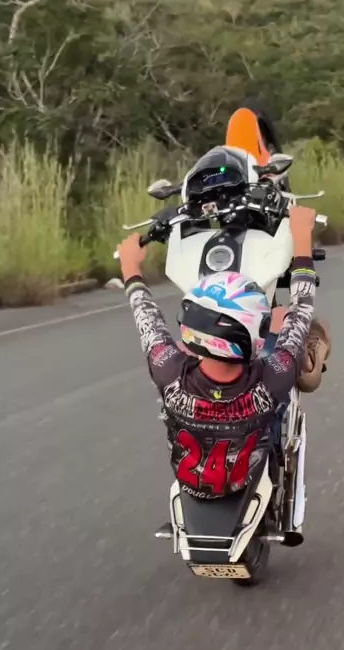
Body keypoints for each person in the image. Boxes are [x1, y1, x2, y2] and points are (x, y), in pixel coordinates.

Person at [117, 206, 330, 500]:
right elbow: (302, 307)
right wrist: (302, 237)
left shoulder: (168, 371)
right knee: (285, 320)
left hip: (192, 484)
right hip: (243, 479)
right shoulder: (273, 379)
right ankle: (306, 364)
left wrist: (130, 267)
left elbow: (146, 317)